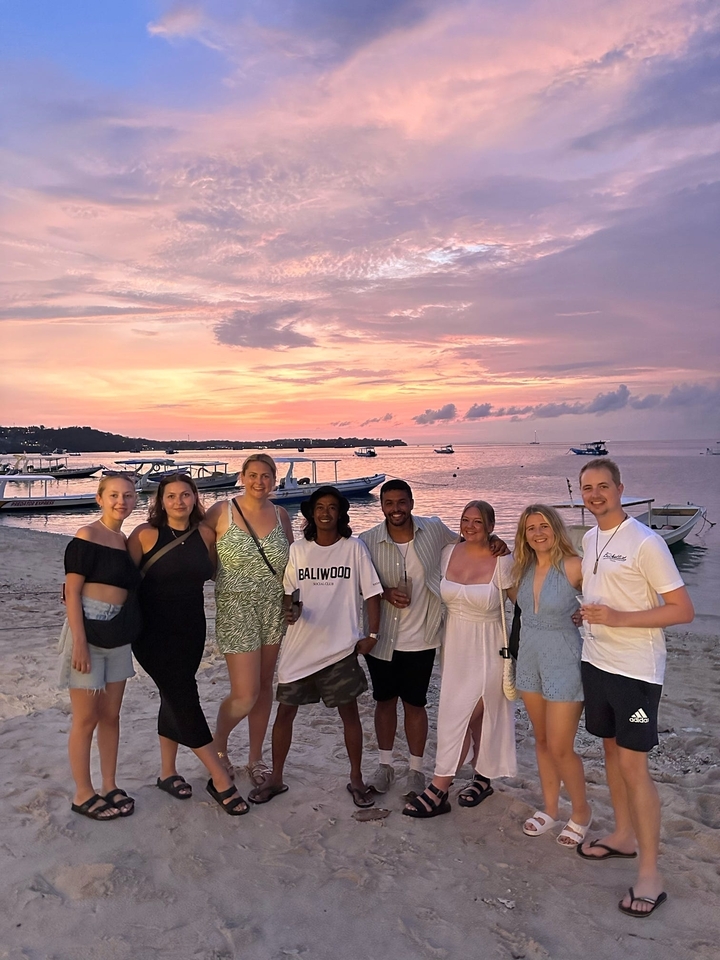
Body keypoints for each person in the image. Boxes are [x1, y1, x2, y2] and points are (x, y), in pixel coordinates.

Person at [574, 459, 694, 918]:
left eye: (603, 486)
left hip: (636, 674)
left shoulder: (647, 542)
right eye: (588, 487)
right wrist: (589, 615)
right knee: (609, 752)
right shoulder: (589, 539)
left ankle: (650, 873)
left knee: (634, 765)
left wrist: (621, 619)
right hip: (596, 662)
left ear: (620, 489)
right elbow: (605, 597)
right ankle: (623, 834)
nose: (596, 494)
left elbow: (681, 609)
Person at [360, 480, 506, 798]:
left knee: (416, 704)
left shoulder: (435, 530)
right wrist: (383, 592)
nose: (395, 508)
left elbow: (470, 541)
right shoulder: (367, 540)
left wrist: (497, 541)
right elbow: (356, 583)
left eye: (401, 502)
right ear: (381, 505)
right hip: (383, 637)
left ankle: (415, 769)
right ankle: (384, 765)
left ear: (412, 502)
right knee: (383, 703)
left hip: (424, 638)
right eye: (389, 503)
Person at [247, 486, 382, 807]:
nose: (325, 513)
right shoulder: (298, 550)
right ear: (310, 513)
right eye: (319, 507)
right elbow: (289, 594)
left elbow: (373, 594)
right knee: (285, 714)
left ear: (340, 513)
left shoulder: (354, 548)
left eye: (332, 508)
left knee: (350, 715)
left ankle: (356, 778)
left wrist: (372, 635)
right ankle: (276, 778)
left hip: (340, 648)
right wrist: (289, 610)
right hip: (300, 649)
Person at [128, 475, 248, 815]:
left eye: (185, 495)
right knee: (185, 699)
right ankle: (218, 778)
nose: (179, 501)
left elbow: (217, 573)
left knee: (174, 695)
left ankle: (167, 772)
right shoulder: (145, 534)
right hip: (151, 633)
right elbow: (119, 577)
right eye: (171, 496)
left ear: (196, 498)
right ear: (160, 501)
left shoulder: (207, 535)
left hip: (192, 631)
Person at [404, 500, 516, 818]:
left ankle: (440, 788)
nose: (469, 526)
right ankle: (482, 778)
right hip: (454, 647)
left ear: (491, 526)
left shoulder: (502, 560)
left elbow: (522, 603)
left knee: (461, 716)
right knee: (474, 715)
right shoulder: (448, 552)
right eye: (465, 520)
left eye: (477, 522)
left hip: (490, 647)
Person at [205, 454, 293, 786]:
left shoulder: (282, 515)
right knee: (245, 693)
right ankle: (219, 748)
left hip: (273, 612)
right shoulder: (221, 511)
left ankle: (256, 757)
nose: (259, 481)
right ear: (242, 477)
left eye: (266, 476)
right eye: (253, 475)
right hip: (236, 611)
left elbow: (294, 567)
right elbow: (196, 553)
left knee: (264, 687)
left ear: (274, 479)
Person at [508, 504, 592, 847]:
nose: (538, 533)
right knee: (540, 741)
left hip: (565, 662)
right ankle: (551, 808)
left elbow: (611, 593)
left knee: (561, 747)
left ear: (555, 528)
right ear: (524, 535)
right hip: (528, 660)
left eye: (544, 526)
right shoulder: (521, 570)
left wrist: (587, 614)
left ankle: (582, 812)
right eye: (531, 528)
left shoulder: (575, 566)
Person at [60, 473, 142, 821]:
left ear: (136, 500)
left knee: (111, 715)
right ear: (100, 499)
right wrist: (79, 642)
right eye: (113, 495)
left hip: (118, 632)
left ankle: (109, 784)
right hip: (87, 629)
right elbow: (72, 592)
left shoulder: (125, 541)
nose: (120, 501)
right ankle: (83, 792)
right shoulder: (87, 535)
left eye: (127, 495)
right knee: (86, 717)